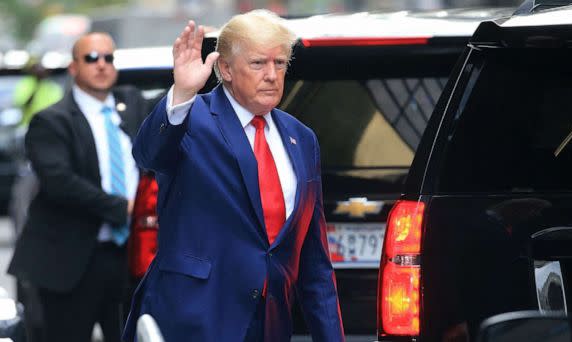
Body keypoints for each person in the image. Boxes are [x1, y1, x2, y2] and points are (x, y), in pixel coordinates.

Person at [123, 10, 345, 342]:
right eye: (258, 63)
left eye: (280, 63)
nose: (272, 75)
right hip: (194, 320)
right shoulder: (191, 118)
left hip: (270, 325)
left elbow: (314, 262)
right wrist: (181, 93)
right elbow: (148, 154)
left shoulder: (302, 138)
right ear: (225, 69)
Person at [7, 32, 149, 342]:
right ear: (74, 67)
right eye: (91, 58)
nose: (101, 65)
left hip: (131, 257)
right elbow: (60, 182)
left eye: (108, 58)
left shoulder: (133, 104)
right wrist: (123, 207)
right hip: (71, 262)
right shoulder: (51, 120)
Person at [12, 57, 63, 126]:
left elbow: (59, 107)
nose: (40, 70)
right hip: (29, 124)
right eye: (36, 67)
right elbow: (23, 105)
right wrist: (36, 86)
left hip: (48, 125)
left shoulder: (53, 87)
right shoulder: (25, 84)